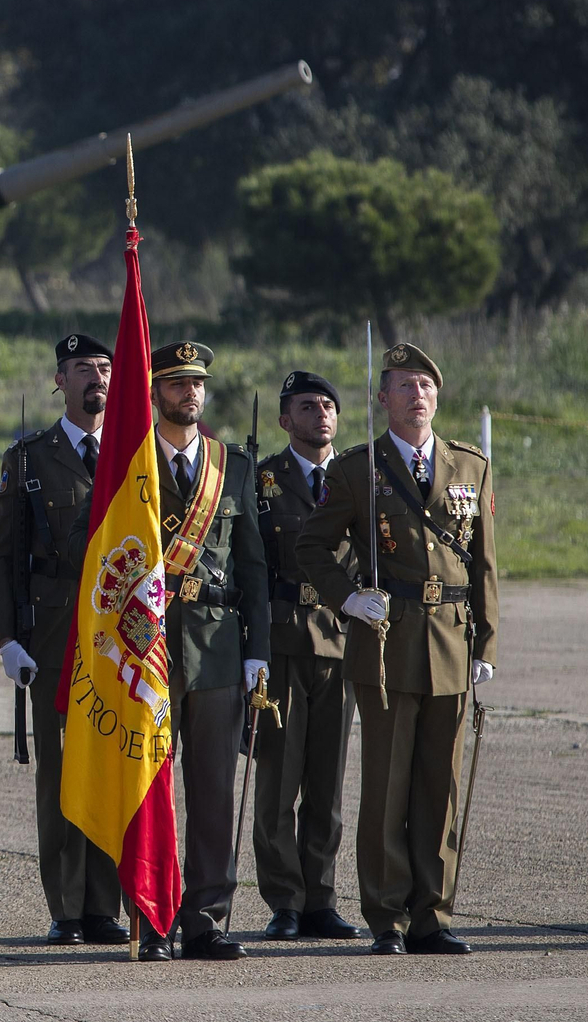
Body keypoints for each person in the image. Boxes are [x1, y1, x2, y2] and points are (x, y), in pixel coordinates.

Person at [296, 343, 497, 956]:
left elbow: (485, 563)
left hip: (452, 639)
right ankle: (387, 916)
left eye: (426, 386)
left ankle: (432, 914)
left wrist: (487, 641)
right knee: (386, 786)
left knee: (441, 787)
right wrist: (348, 598)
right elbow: (311, 547)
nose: (418, 396)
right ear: (383, 398)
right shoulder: (358, 469)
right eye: (405, 386)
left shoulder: (470, 466)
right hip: (386, 643)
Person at [0, 333, 129, 947]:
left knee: (115, 764)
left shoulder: (136, 449)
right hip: (55, 631)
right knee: (63, 769)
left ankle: (105, 906)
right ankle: (67, 907)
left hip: (122, 634)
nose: (97, 377)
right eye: (82, 368)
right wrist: (7, 639)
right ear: (59, 381)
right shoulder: (29, 459)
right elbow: (2, 556)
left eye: (105, 367)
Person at [126, 341, 270, 961]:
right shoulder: (129, 461)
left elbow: (254, 566)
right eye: (178, 382)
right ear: (155, 391)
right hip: (146, 652)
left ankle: (208, 918)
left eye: (198, 383)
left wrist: (257, 652)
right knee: (148, 792)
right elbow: (89, 546)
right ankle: (153, 919)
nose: (191, 392)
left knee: (213, 792)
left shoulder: (231, 465)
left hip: (215, 651)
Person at [253, 371, 362, 943]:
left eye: (327, 405)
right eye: (307, 406)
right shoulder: (262, 479)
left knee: (327, 782)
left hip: (340, 639)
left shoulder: (360, 478)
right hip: (282, 641)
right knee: (278, 779)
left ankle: (321, 899)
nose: (321, 414)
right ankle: (285, 902)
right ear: (284, 420)